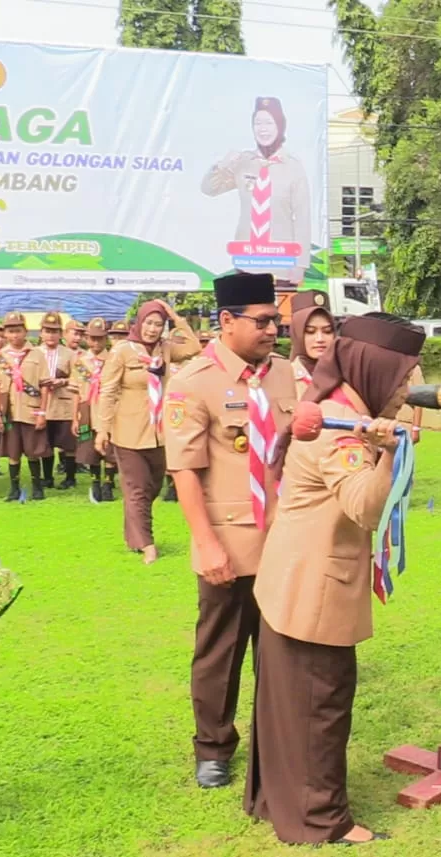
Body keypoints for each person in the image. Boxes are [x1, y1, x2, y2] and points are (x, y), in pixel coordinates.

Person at [249, 312, 425, 845]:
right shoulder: (339, 427)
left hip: (293, 577)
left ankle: (275, 800)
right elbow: (364, 507)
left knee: (289, 702)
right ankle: (319, 820)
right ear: (375, 370)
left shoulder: (336, 410)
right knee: (319, 703)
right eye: (403, 377)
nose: (408, 390)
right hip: (313, 587)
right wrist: (390, 453)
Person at [166, 273, 298, 789]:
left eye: (275, 321)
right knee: (221, 650)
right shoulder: (193, 382)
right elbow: (184, 470)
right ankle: (213, 746)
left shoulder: (286, 375)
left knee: (281, 650)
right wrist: (205, 544)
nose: (272, 330)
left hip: (284, 537)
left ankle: (276, 740)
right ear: (226, 320)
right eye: (261, 321)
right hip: (231, 541)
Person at [97, 300, 202, 563]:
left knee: (153, 486)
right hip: (128, 431)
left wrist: (176, 318)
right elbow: (107, 391)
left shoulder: (165, 349)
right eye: (149, 323)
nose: (152, 329)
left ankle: (134, 535)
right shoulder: (122, 351)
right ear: (139, 323)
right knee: (137, 490)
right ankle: (147, 544)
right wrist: (102, 429)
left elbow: (194, 347)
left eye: (158, 324)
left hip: (160, 431)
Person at [201, 96, 314, 285]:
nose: (263, 129)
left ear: (280, 126)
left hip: (281, 264)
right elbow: (209, 189)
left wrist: (300, 264)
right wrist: (222, 165)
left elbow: (302, 218)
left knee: (279, 305)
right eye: (257, 123)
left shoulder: (293, 167)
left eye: (269, 123)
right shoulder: (244, 162)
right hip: (247, 262)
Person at [0, 313, 49, 502]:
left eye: (18, 331)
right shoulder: (0, 357)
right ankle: (14, 488)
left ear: (25, 331)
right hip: (10, 411)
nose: (14, 335)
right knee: (12, 452)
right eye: (10, 331)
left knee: (33, 452)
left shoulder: (37, 354)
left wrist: (42, 412)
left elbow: (44, 385)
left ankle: (37, 487)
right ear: (5, 333)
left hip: (31, 410)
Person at [24, 312, 79, 492]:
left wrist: (62, 381)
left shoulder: (70, 354)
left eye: (55, 331)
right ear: (41, 332)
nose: (50, 335)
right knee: (44, 443)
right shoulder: (32, 353)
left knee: (68, 443)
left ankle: (70, 477)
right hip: (42, 404)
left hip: (63, 403)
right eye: (47, 331)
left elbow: (79, 377)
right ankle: (47, 478)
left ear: (61, 334)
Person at [72, 318, 119, 503]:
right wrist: (75, 417)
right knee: (90, 449)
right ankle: (95, 482)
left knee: (109, 448)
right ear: (87, 339)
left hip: (109, 409)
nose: (96, 342)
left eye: (100, 338)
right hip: (88, 409)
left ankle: (108, 483)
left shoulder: (114, 360)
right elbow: (76, 391)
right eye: (92, 338)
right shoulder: (80, 362)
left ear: (106, 339)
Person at [286, 289, 334, 396]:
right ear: (296, 334)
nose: (320, 339)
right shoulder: (282, 378)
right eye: (310, 331)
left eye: (327, 331)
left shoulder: (346, 377)